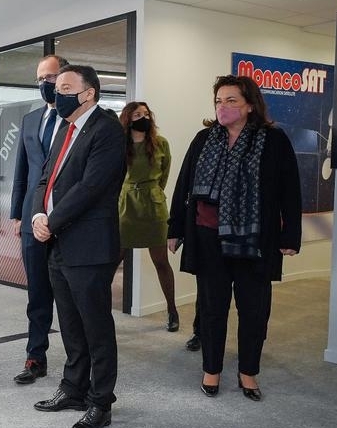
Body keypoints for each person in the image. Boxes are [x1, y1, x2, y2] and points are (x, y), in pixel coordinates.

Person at [167, 75, 301, 402]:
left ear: (250, 105)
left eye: (231, 101)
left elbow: (290, 191)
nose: (222, 107)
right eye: (218, 101)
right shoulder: (204, 139)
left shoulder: (273, 140)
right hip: (207, 237)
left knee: (254, 310)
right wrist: (175, 229)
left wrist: (290, 235)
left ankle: (248, 372)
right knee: (212, 308)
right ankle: (211, 369)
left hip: (254, 240)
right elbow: (184, 185)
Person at [31, 65, 126, 428]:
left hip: (89, 245)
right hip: (58, 242)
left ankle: (100, 401)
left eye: (66, 87)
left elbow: (91, 187)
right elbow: (45, 178)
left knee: (95, 327)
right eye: (56, 87)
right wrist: (38, 214)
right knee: (70, 324)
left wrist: (51, 222)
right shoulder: (65, 127)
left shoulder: (107, 130)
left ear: (89, 94)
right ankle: (73, 388)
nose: (57, 93)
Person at [9, 54, 69, 384]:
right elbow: (22, 171)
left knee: (71, 295)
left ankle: (79, 362)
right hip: (32, 219)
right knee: (37, 293)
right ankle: (35, 357)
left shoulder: (77, 118)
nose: (44, 83)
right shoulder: (31, 120)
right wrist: (17, 215)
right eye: (40, 78)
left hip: (68, 219)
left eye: (50, 77)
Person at [117, 102, 179, 332]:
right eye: (137, 114)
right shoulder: (119, 144)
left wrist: (153, 192)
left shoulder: (160, 143)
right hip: (126, 206)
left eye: (146, 114)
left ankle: (172, 311)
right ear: (128, 119)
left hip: (154, 207)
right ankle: (99, 311)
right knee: (114, 259)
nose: (143, 117)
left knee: (161, 261)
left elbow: (164, 175)